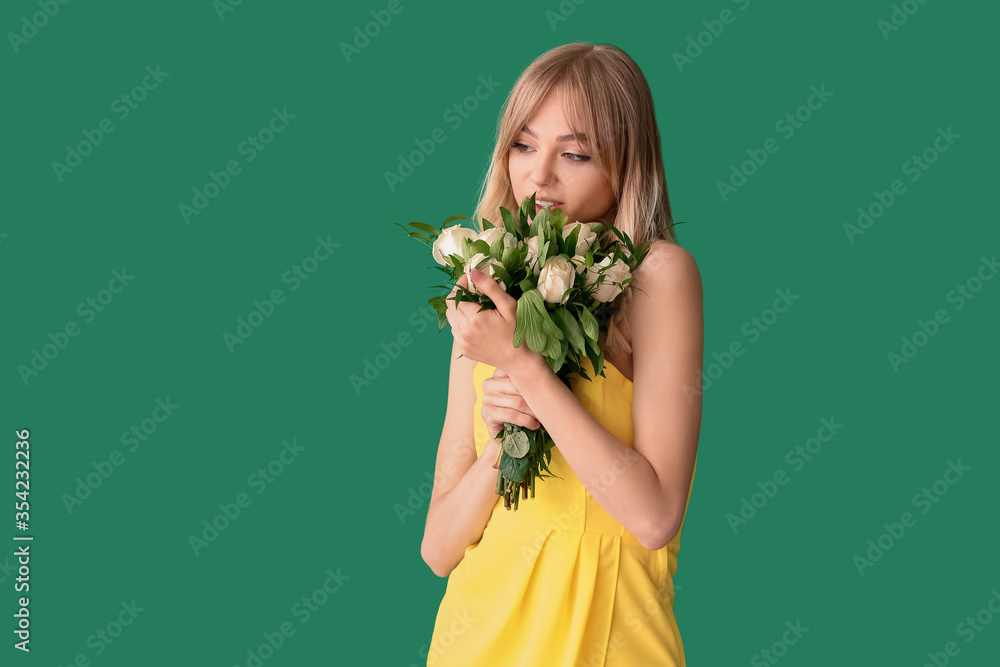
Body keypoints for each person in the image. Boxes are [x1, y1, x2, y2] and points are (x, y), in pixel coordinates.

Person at [420, 42, 702, 666]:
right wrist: (503, 442)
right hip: (476, 641)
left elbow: (654, 518)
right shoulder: (487, 291)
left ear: (626, 166)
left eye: (574, 153)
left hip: (605, 642)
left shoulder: (658, 277)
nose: (539, 175)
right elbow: (439, 549)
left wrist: (524, 366)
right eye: (523, 145)